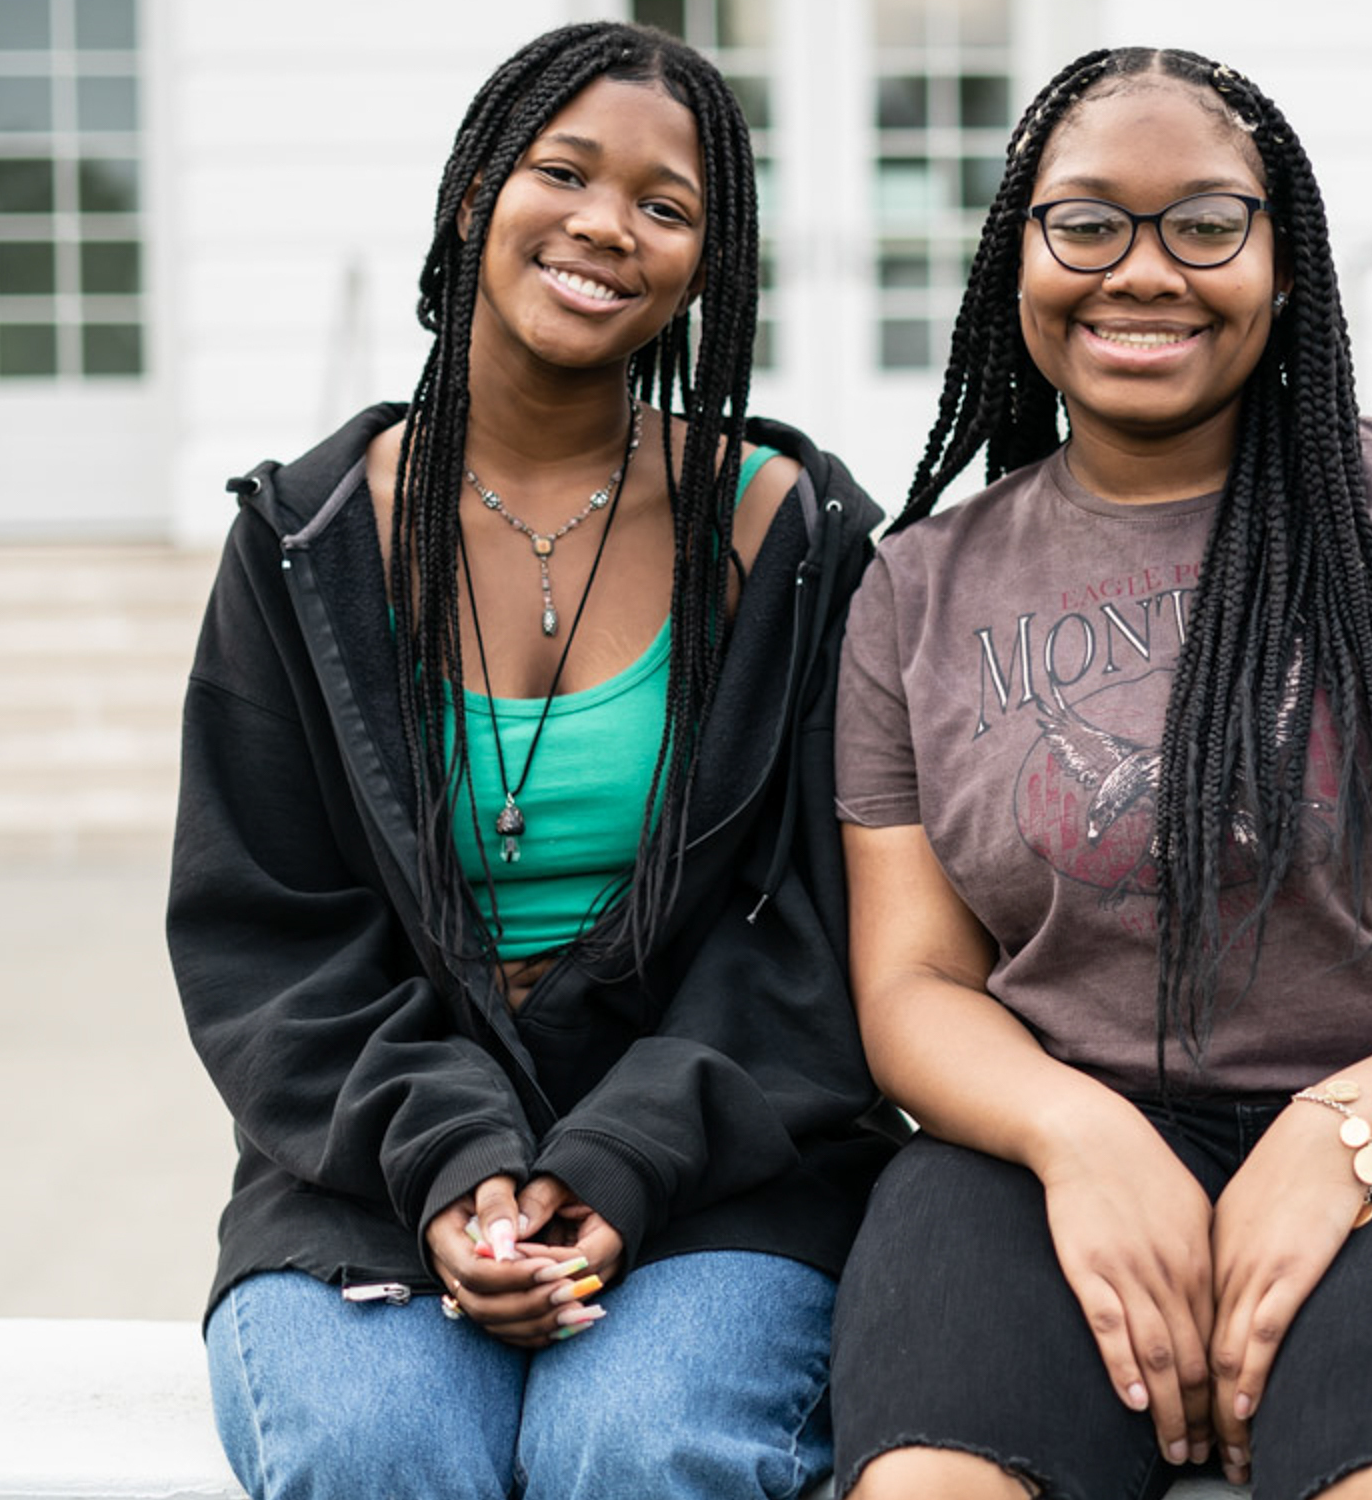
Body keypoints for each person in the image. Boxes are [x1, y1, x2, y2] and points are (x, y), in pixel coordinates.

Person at [828, 45, 1372, 1500]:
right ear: (1017, 259)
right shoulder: (918, 590)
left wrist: (1344, 1131)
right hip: (1045, 1158)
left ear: (1284, 264)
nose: (1144, 270)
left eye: (1207, 223)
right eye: (1089, 221)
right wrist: (1076, 1133)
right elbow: (912, 986)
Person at [167, 22, 893, 1500]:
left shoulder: (791, 542)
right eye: (563, 170)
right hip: (372, 1175)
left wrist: (624, 1158)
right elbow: (267, 935)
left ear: (709, 263)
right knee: (379, 1448)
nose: (604, 225)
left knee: (635, 1449)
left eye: (666, 205)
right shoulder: (303, 546)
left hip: (719, 1173)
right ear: (471, 196)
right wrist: (447, 1164)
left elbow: (823, 936)